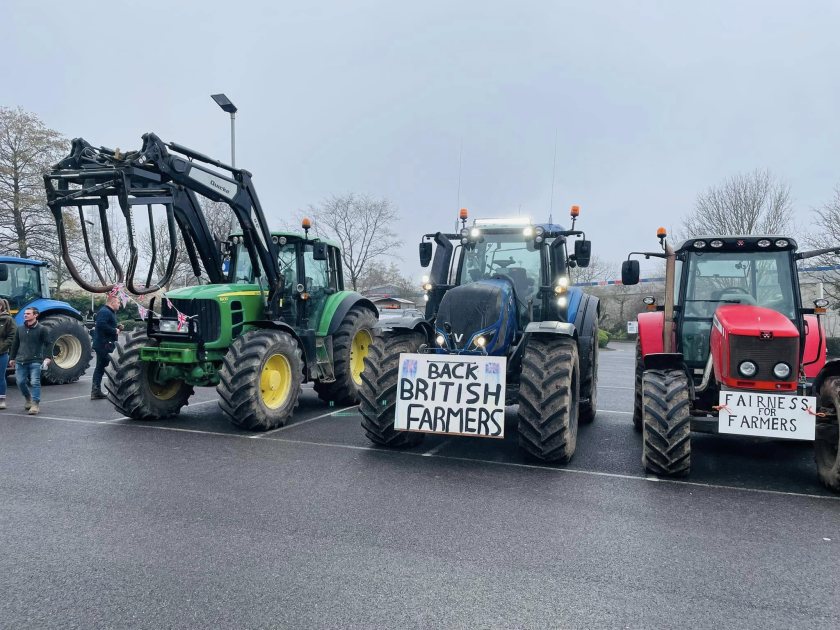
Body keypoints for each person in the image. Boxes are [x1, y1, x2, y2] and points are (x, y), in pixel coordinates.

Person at [9, 306, 51, 415]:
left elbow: (48, 344)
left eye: (28, 313)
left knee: (35, 382)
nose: (25, 315)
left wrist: (47, 357)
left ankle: (35, 404)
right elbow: (15, 344)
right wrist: (12, 358)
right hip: (20, 360)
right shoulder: (20, 329)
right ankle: (28, 398)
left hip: (35, 360)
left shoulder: (42, 329)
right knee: (20, 382)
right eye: (25, 313)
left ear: (35, 315)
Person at [91, 294, 123, 400]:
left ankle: (96, 391)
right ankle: (116, 391)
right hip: (104, 345)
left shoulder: (108, 312)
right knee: (114, 367)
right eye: (118, 302)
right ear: (112, 302)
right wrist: (115, 330)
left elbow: (104, 325)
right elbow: (101, 325)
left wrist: (116, 327)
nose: (120, 304)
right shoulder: (105, 312)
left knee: (101, 367)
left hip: (104, 344)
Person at [0, 299, 17, 410]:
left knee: (0, 377)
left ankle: (2, 400)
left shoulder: (8, 320)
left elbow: (12, 337)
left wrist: (1, 348)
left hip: (1, 353)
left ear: (1, 306)